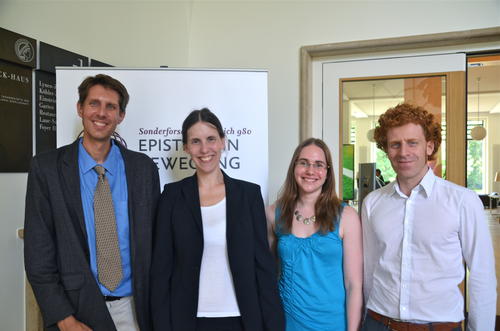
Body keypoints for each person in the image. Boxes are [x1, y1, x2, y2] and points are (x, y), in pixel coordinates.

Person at [24, 74, 160, 331]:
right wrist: (64, 318)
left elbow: (156, 243)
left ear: (121, 116)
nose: (102, 113)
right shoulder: (47, 169)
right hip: (76, 312)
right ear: (80, 108)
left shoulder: (143, 169)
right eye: (94, 103)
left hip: (136, 310)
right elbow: (38, 254)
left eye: (111, 107)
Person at [361, 103, 497, 331]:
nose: (403, 152)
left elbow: (482, 275)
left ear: (429, 146)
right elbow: (368, 269)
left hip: (439, 326)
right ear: (387, 150)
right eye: (395, 144)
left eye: (412, 143)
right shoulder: (372, 203)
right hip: (378, 323)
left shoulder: (462, 201)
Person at [150, 108, 285, 331]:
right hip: (187, 321)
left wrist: (273, 325)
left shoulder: (248, 195)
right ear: (186, 148)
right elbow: (161, 271)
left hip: (241, 319)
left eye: (211, 139)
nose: (204, 149)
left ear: (223, 141)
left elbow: (263, 267)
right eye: (195, 141)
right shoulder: (172, 197)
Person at [267, 138, 363, 331]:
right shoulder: (273, 213)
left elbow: (353, 285)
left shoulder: (346, 216)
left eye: (318, 165)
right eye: (304, 163)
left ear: (327, 172)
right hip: (286, 323)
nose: (310, 171)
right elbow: (268, 274)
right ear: (294, 167)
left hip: (332, 324)